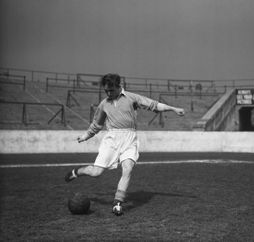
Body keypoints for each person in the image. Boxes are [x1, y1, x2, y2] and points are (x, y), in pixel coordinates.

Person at [65, 73, 185, 216]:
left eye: (111, 90)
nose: (108, 93)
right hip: (112, 139)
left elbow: (154, 104)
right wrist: (85, 136)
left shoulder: (132, 98)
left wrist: (173, 108)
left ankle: (117, 203)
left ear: (119, 86)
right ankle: (76, 172)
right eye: (106, 91)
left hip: (130, 138)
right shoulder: (104, 104)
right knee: (96, 173)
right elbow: (96, 125)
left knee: (127, 169)